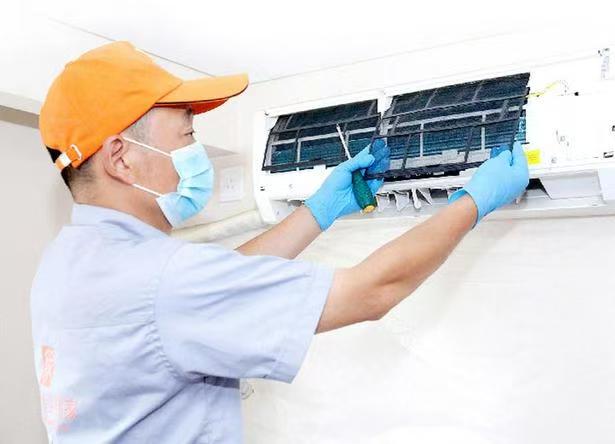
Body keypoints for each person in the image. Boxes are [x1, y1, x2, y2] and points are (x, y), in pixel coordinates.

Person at [31, 41, 529, 443]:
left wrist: (318, 211)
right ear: (121, 158)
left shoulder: (66, 263)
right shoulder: (162, 281)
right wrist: (472, 202)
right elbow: (371, 291)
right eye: (186, 136)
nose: (196, 151)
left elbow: (210, 290)